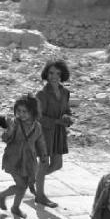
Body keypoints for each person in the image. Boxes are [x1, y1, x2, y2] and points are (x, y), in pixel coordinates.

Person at [0, 94, 47, 219]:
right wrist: (10, 130)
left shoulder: (37, 126)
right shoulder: (15, 123)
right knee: (22, 185)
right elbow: (5, 139)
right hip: (14, 159)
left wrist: (44, 155)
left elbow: (40, 141)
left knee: (22, 186)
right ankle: (3, 196)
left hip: (28, 161)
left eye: (25, 111)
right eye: (18, 111)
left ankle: (14, 206)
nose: (21, 114)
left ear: (33, 112)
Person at [35, 60, 73, 208]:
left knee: (57, 164)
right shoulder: (42, 94)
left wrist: (68, 117)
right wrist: (57, 121)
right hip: (45, 133)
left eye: (58, 73)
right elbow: (38, 117)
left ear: (63, 74)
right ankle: (40, 195)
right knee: (44, 164)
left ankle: (33, 181)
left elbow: (67, 110)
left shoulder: (65, 92)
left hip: (59, 133)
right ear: (46, 74)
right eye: (51, 73)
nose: (54, 76)